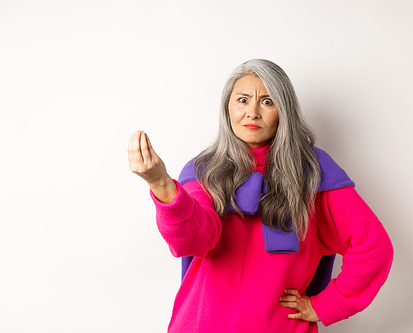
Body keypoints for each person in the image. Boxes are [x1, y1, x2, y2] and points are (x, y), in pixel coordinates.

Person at [127, 59, 394, 333]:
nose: (252, 112)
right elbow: (196, 240)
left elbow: (373, 248)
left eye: (267, 102)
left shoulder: (315, 171)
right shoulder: (202, 170)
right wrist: (161, 184)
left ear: (284, 110)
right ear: (227, 108)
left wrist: (327, 304)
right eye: (242, 100)